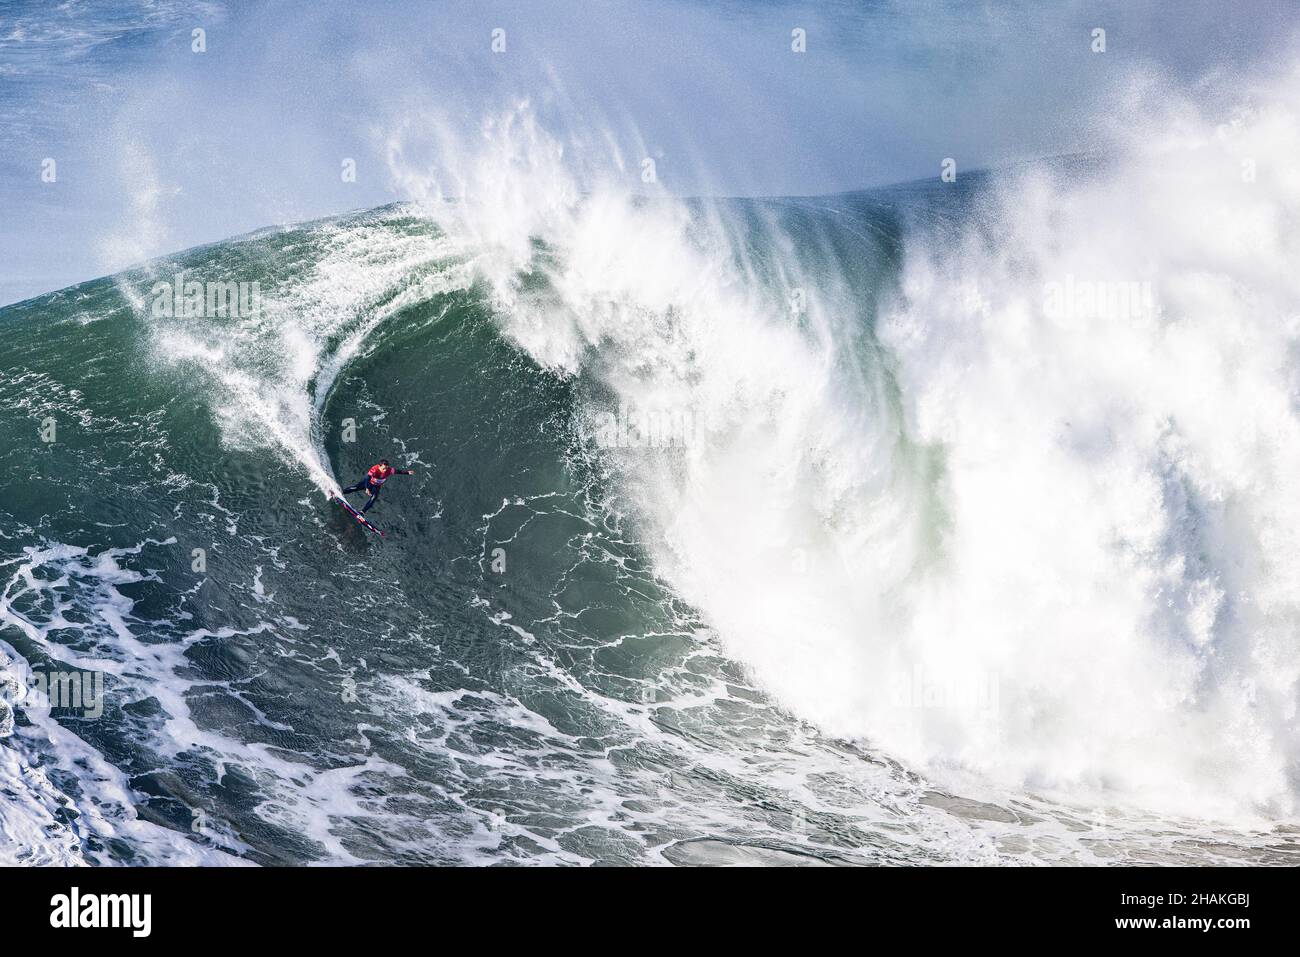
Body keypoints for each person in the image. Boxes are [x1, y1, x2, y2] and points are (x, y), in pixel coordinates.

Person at [340, 459, 414, 513]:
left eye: (386, 468)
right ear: (379, 466)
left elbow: (398, 471)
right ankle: (341, 492)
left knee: (374, 497)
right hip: (368, 483)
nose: (385, 470)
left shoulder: (389, 470)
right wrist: (367, 488)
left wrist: (407, 472)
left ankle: (362, 512)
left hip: (377, 486)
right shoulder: (374, 469)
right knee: (355, 488)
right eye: (383, 468)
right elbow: (367, 478)